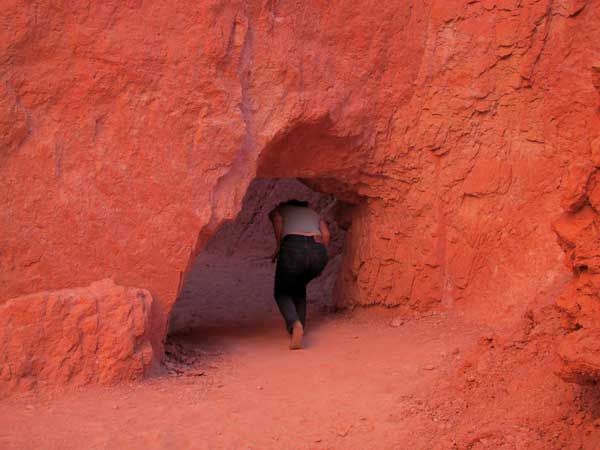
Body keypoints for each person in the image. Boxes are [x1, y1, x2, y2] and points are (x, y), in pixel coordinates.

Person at [268, 199, 330, 349]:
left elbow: (276, 219)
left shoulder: (281, 209)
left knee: (282, 292)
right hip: (318, 250)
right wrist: (321, 257)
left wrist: (278, 246)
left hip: (293, 247)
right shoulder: (314, 213)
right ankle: (300, 325)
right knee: (299, 288)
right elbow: (326, 234)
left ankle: (294, 324)